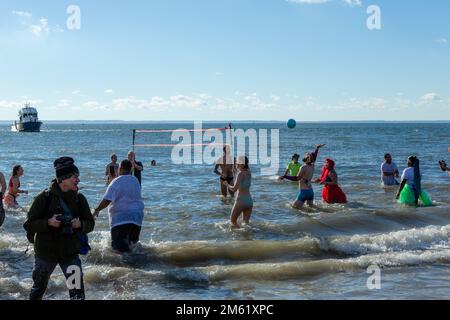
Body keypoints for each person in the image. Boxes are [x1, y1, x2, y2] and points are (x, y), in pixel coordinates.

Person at [23, 157, 95, 300]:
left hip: (70, 253)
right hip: (45, 253)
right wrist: (48, 223)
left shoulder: (79, 199)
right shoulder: (44, 197)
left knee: (77, 293)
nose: (78, 180)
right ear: (63, 179)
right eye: (75, 177)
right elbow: (28, 224)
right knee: (38, 290)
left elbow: (90, 223)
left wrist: (80, 225)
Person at [93, 159, 145, 253]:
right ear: (131, 169)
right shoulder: (135, 180)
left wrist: (97, 209)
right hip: (137, 218)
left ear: (120, 168)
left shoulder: (116, 182)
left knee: (119, 251)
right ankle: (137, 264)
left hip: (121, 220)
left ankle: (126, 266)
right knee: (133, 246)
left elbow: (107, 200)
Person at [290, 144, 325, 209]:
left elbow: (296, 178)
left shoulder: (303, 167)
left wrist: (285, 176)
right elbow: (314, 159)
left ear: (307, 158)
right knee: (311, 209)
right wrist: (317, 149)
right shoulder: (312, 166)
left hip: (303, 192)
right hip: (310, 191)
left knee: (293, 207)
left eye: (307, 155)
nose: (306, 155)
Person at [224, 156, 253, 228]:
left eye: (238, 162)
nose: (236, 163)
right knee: (245, 223)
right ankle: (246, 236)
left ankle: (238, 236)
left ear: (242, 164)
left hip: (241, 200)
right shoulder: (249, 172)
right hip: (249, 201)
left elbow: (234, 189)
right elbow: (238, 171)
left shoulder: (240, 174)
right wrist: (235, 166)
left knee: (233, 222)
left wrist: (227, 184)